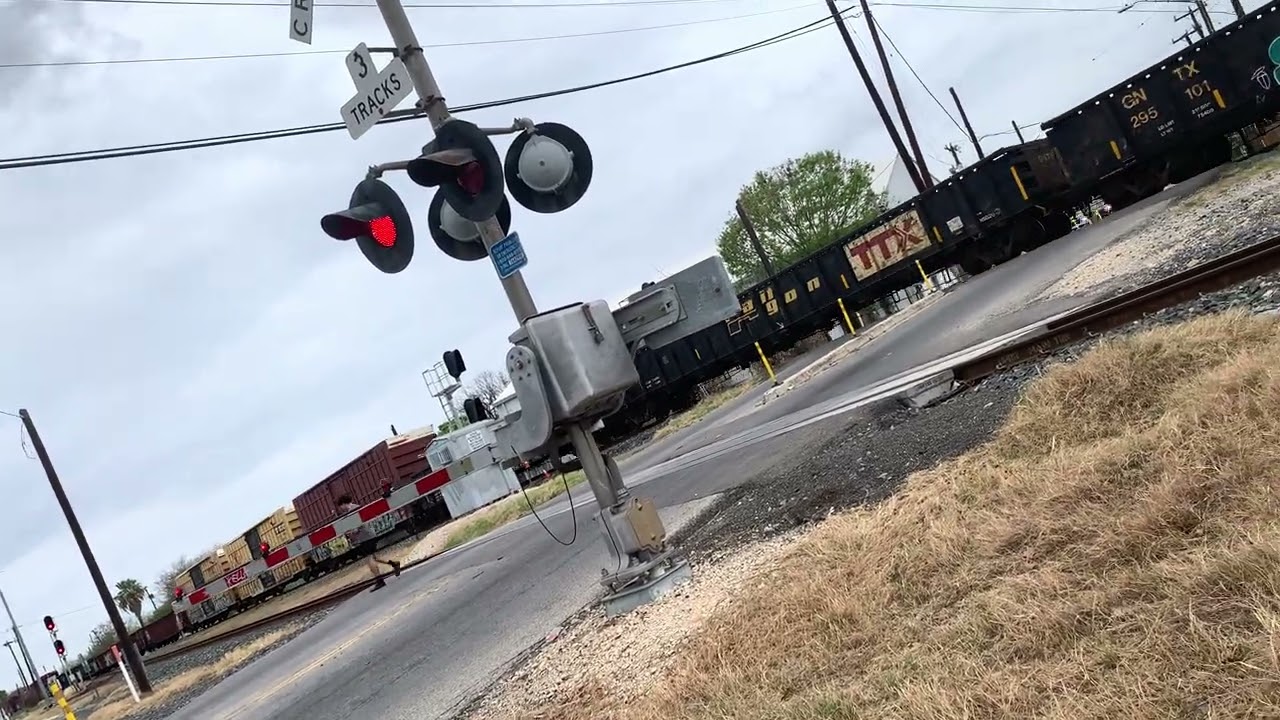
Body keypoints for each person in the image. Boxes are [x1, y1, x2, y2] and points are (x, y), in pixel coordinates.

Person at [335, 495, 402, 591]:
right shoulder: (356, 507)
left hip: (365, 537)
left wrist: (350, 533)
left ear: (343, 504)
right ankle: (394, 564)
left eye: (340, 506)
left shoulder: (352, 511)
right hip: (368, 535)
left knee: (369, 559)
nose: (340, 509)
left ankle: (379, 580)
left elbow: (356, 527)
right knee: (374, 558)